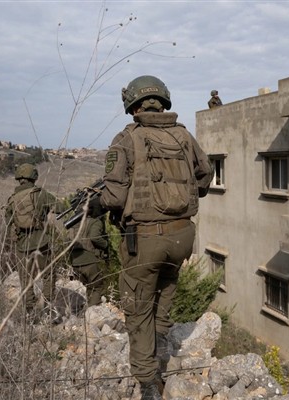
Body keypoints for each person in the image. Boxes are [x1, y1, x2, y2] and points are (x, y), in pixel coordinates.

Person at [100, 75, 213, 399]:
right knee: (165, 293)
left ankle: (148, 381)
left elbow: (114, 197)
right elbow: (205, 174)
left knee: (138, 309)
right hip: (182, 236)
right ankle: (160, 346)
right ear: (163, 101)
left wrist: (98, 204)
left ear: (133, 105)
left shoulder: (127, 138)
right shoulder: (184, 135)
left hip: (145, 240)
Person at [5, 163, 66, 323]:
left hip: (22, 247)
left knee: (25, 281)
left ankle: (32, 314)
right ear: (34, 177)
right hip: (41, 244)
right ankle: (45, 306)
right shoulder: (41, 194)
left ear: (19, 178)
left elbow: (7, 224)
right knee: (49, 275)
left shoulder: (12, 200)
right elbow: (60, 208)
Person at [67, 197, 109, 307]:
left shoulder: (74, 224)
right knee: (97, 287)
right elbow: (95, 237)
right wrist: (106, 244)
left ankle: (85, 312)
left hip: (75, 261)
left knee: (88, 286)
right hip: (90, 260)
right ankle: (92, 312)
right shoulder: (95, 222)